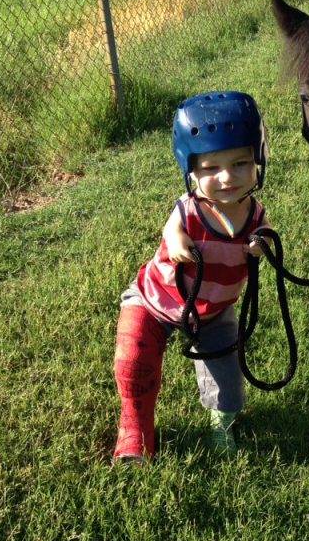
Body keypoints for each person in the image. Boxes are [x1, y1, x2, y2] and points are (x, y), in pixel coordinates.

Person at [113, 91, 268, 461]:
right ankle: (135, 429)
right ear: (190, 170)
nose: (227, 177)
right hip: (155, 300)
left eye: (240, 163)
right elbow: (172, 229)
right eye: (211, 168)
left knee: (229, 383)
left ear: (258, 160)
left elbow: (265, 235)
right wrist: (178, 240)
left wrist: (261, 246)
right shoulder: (188, 209)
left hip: (212, 313)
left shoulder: (255, 214)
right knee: (133, 359)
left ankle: (222, 424)